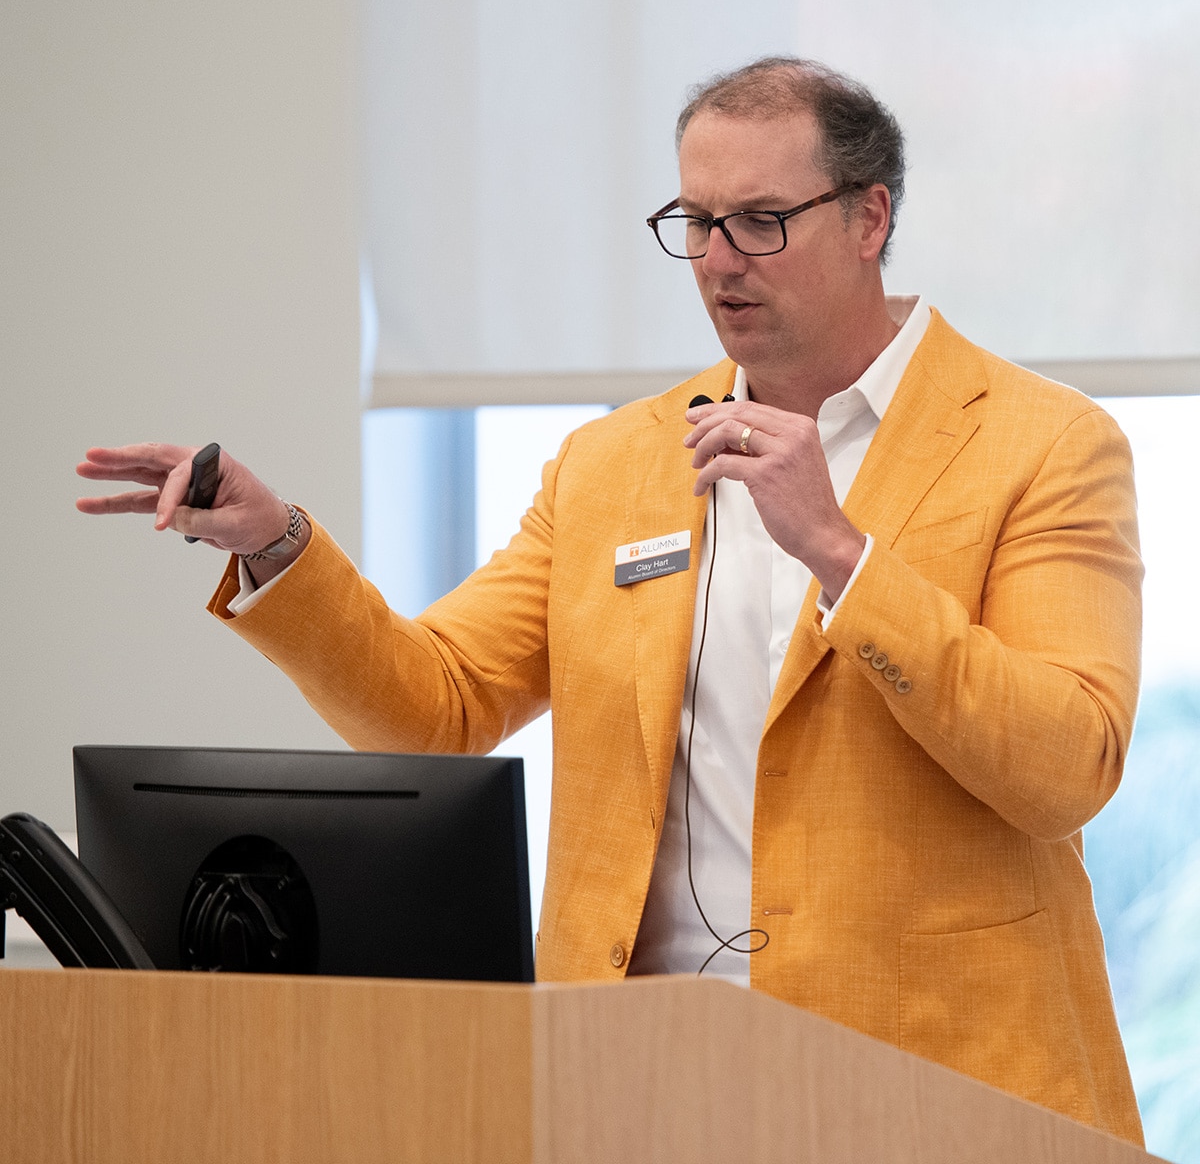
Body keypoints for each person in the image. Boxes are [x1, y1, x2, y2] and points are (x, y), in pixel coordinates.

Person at [77, 57, 1144, 1142]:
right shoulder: (612, 465)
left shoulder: (1044, 445)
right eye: (696, 220)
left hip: (936, 1094)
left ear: (871, 217)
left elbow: (1067, 767)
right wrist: (275, 545)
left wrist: (839, 552)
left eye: (762, 221)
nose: (719, 262)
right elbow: (434, 705)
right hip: (639, 1094)